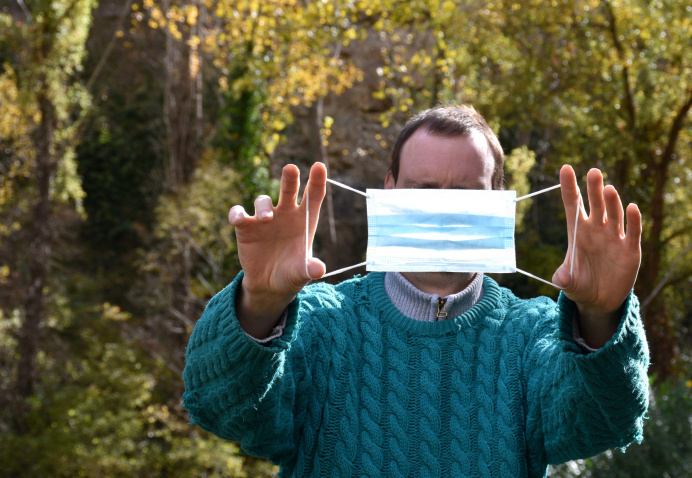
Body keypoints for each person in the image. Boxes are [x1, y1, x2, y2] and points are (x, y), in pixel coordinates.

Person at [182, 105, 649, 477]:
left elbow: (603, 422)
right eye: (424, 187)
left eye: (466, 193)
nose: (443, 208)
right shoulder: (318, 323)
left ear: (502, 202)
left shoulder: (533, 336)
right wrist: (260, 303)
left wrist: (602, 317)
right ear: (389, 190)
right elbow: (220, 408)